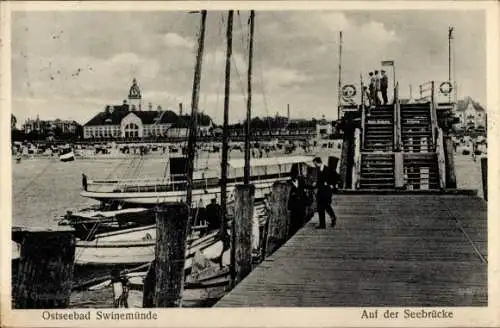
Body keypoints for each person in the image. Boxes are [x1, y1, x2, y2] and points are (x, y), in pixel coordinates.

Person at [312, 157, 337, 229]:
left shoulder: (327, 169)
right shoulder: (319, 169)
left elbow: (334, 177)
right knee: (321, 207)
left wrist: (330, 184)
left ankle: (332, 218)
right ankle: (323, 224)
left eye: (315, 163)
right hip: (321, 191)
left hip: (326, 191)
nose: (315, 165)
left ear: (317, 162)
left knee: (326, 206)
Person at [287, 167, 308, 238]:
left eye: (295, 175)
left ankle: (301, 231)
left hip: (301, 203)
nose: (294, 177)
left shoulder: (301, 180)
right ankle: (294, 233)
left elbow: (305, 187)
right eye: (293, 175)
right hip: (294, 205)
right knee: (294, 220)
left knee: (301, 217)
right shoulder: (288, 183)